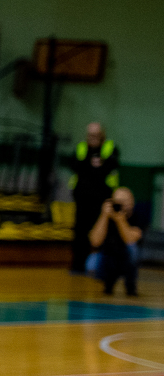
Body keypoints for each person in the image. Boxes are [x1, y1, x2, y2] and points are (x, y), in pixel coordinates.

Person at [69, 122, 121, 274]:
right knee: (80, 233)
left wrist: (90, 168)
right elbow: (75, 166)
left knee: (104, 233)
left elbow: (108, 168)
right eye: (91, 135)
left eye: (97, 135)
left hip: (102, 201)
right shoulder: (80, 148)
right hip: (82, 200)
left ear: (102, 135)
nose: (93, 138)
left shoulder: (111, 148)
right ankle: (78, 266)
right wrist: (94, 167)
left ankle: (102, 267)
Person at [87, 186, 143, 296]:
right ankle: (107, 282)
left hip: (126, 256)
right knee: (91, 262)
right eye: (117, 201)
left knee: (133, 250)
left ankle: (130, 285)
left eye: (124, 201)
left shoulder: (137, 216)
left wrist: (120, 220)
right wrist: (104, 216)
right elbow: (95, 241)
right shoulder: (105, 216)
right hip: (108, 254)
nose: (120, 205)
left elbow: (130, 240)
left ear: (131, 203)